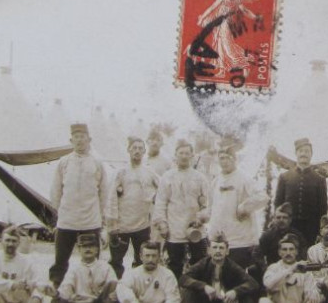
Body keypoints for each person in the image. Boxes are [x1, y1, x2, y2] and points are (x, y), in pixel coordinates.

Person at [48, 122, 108, 289]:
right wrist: (61, 211)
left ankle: (94, 289)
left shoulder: (97, 162)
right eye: (76, 137)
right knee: (61, 259)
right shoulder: (64, 162)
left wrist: (100, 215)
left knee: (93, 259)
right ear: (71, 140)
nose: (80, 141)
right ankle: (56, 288)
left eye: (83, 137)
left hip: (90, 220)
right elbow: (55, 191)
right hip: (67, 220)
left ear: (89, 139)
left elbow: (104, 192)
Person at [181, 233, 259, 303]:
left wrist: (235, 291)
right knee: (189, 291)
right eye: (215, 247)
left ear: (227, 251)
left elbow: (253, 283)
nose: (218, 251)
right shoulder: (203, 264)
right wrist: (204, 286)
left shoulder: (232, 266)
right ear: (209, 250)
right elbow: (184, 278)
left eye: (221, 248)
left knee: (247, 295)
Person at [152, 139, 210, 282]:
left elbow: (208, 204)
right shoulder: (167, 177)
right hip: (174, 230)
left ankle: (198, 296)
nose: (184, 156)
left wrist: (201, 218)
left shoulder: (200, 178)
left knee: (200, 265)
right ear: (175, 156)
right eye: (181, 153)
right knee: (174, 267)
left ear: (192, 156)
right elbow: (160, 203)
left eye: (187, 153)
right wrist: (162, 224)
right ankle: (175, 297)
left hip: (196, 230)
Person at [207, 135, 267, 273]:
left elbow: (263, 197)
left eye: (228, 158)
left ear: (235, 159)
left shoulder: (244, 178)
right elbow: (211, 208)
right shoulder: (215, 182)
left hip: (240, 241)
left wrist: (245, 207)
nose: (225, 162)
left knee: (238, 276)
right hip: (220, 241)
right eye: (221, 158)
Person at [106, 135, 159, 279]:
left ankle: (139, 288)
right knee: (116, 261)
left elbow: (162, 190)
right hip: (121, 225)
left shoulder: (149, 172)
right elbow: (111, 198)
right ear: (128, 150)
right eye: (134, 148)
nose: (137, 151)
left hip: (142, 225)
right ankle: (115, 291)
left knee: (141, 260)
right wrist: (112, 224)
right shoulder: (120, 172)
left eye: (140, 148)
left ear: (144, 152)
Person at [258, 234, 321, 303]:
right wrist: (290, 270)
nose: (288, 252)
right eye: (284, 249)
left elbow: (311, 290)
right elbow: (268, 284)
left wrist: (313, 293)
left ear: (296, 252)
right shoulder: (273, 268)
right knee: (263, 301)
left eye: (291, 249)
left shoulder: (305, 271)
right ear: (279, 253)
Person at [112, 239, 182, 303]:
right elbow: (123, 288)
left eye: (154, 256)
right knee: (124, 302)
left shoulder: (167, 274)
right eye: (147, 256)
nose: (150, 259)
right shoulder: (133, 273)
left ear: (159, 256)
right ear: (141, 256)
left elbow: (173, 298)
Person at [48, 232, 116, 303]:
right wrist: (61, 295)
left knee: (113, 286)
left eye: (91, 246)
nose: (88, 249)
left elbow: (114, 286)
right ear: (79, 250)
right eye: (84, 247)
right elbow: (66, 288)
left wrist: (108, 292)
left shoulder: (106, 267)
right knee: (56, 300)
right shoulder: (74, 268)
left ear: (97, 249)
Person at [273, 138, 328, 245]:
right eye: (301, 151)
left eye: (307, 151)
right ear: (296, 153)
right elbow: (278, 204)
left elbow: (322, 208)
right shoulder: (284, 177)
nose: (304, 154)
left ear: (311, 154)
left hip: (311, 229)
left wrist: (320, 231)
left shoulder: (319, 180)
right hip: (288, 227)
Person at [254, 203, 308, 270]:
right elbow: (257, 253)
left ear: (290, 220)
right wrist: (265, 268)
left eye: (284, 217)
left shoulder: (298, 235)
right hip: (274, 270)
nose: (281, 220)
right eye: (278, 217)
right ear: (274, 219)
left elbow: (303, 253)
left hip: (293, 269)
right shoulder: (267, 235)